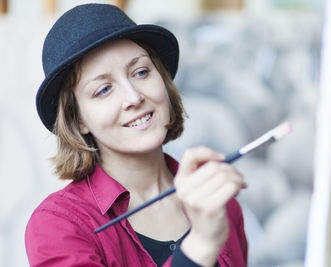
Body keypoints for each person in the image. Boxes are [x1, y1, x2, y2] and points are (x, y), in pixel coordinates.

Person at [25, 3, 247, 267]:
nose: (134, 97)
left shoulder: (219, 204)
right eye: (103, 90)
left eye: (141, 72)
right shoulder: (58, 225)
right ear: (78, 119)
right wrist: (200, 246)